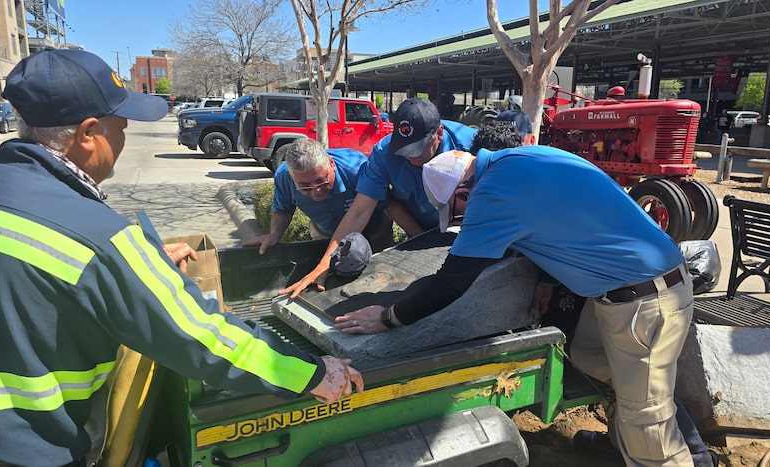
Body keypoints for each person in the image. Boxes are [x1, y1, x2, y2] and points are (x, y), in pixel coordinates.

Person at [0, 48, 363, 466]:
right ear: (89, 133)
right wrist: (312, 373)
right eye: (122, 127)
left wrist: (130, 268)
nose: (124, 139)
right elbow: (201, 335)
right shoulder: (96, 238)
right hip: (28, 452)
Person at [333, 142, 696, 465]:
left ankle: (660, 453)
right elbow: (569, 220)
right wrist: (547, 280)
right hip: (629, 286)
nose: (464, 218)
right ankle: (625, 442)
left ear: (464, 192)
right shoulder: (523, 156)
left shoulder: (493, 194)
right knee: (590, 360)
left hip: (643, 302)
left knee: (648, 418)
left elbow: (451, 281)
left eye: (459, 211)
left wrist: (388, 317)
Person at [279, 97, 476, 299]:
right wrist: (324, 264)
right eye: (405, 150)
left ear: (439, 134)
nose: (411, 158)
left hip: (470, 230)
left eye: (419, 150)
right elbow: (360, 211)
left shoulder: (472, 144)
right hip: (421, 229)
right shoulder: (384, 154)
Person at [242, 138, 394, 253]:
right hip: (324, 234)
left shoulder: (357, 168)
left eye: (321, 181)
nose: (316, 191)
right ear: (292, 177)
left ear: (331, 164)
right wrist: (274, 234)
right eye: (305, 186)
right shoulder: (284, 177)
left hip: (374, 230)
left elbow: (391, 206)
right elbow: (283, 210)